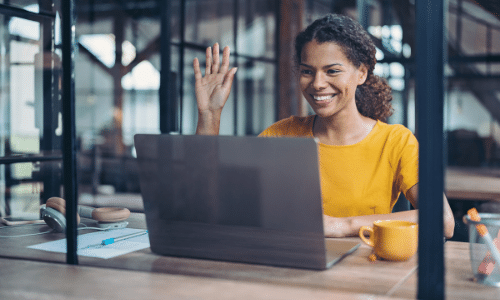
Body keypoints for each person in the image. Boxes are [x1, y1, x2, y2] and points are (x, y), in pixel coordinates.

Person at [193, 14, 455, 238]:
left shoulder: (396, 141)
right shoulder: (282, 134)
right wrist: (209, 114)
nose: (317, 83)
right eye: (308, 71)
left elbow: (443, 221)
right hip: (292, 268)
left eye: (332, 71)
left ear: (361, 73)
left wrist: (343, 225)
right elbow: (212, 197)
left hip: (365, 276)